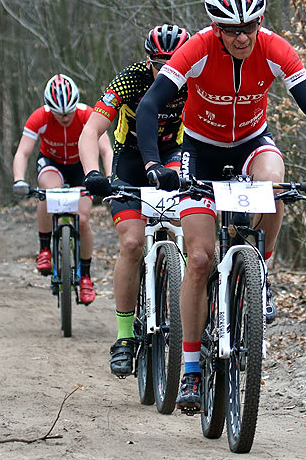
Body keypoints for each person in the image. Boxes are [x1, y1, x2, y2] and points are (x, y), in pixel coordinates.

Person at [134, 0, 306, 412]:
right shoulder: (196, 50)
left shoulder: (275, 49)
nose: (242, 36)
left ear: (260, 21)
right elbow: (150, 105)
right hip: (200, 153)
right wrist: (154, 164)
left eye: (249, 26)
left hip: (252, 143)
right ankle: (190, 365)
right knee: (201, 258)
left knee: (275, 180)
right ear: (216, 27)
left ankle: (260, 272)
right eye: (231, 29)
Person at [80, 24, 190, 377]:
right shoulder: (129, 79)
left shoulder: (197, 77)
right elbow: (91, 129)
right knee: (130, 243)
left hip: (173, 154)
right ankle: (124, 338)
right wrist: (92, 172)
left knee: (190, 229)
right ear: (147, 61)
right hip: (129, 161)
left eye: (174, 62)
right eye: (159, 64)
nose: (167, 70)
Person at [11, 73, 112, 304]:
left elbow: (106, 150)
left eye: (68, 112)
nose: (65, 117)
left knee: (83, 218)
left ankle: (85, 276)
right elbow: (23, 152)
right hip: (52, 163)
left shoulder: (88, 115)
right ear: (49, 108)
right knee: (48, 193)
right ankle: (45, 249)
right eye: (59, 113)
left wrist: (108, 177)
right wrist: (19, 179)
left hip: (80, 165)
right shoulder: (39, 117)